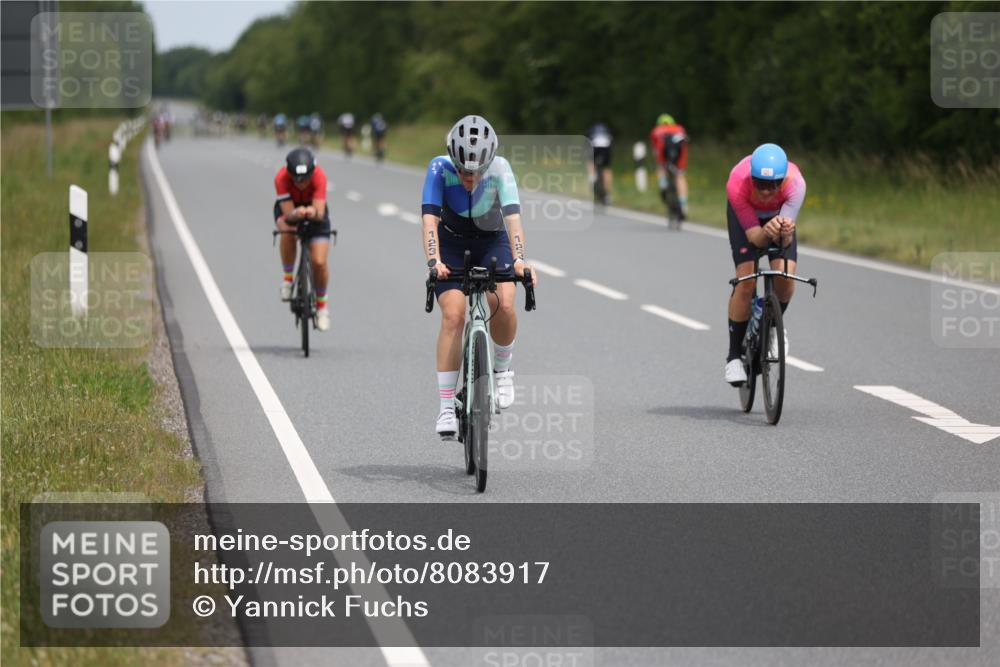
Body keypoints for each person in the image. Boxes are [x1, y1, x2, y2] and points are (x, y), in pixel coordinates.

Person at [421, 115, 537, 437]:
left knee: (504, 302)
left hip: (491, 240)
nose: (469, 178)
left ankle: (502, 370)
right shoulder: (438, 169)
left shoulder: (500, 169)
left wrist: (520, 262)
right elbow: (429, 220)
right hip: (451, 244)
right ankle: (446, 407)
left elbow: (513, 219)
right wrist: (435, 261)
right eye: (463, 171)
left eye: (476, 171)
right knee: (453, 316)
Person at [723, 143, 806, 385]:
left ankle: (771, 325)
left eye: (774, 184)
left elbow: (785, 238)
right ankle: (733, 357)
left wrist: (783, 232)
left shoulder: (796, 184)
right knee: (746, 281)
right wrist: (765, 231)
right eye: (761, 183)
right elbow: (756, 239)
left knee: (786, 277)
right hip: (746, 220)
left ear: (782, 180)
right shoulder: (737, 183)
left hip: (778, 217)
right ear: (752, 177)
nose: (768, 191)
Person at [273, 148, 333, 332]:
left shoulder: (319, 176)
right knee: (287, 230)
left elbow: (319, 211)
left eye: (305, 178)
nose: (301, 183)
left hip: (314, 210)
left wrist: (312, 213)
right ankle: (288, 279)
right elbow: (288, 213)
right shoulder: (281, 178)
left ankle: (322, 307)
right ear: (289, 174)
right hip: (290, 210)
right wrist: (296, 214)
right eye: (296, 179)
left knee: (319, 262)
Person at [649, 113, 689, 219]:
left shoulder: (657, 130)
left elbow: (656, 150)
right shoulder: (680, 128)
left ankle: (663, 185)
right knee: (680, 176)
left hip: (664, 151)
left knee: (661, 167)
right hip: (680, 153)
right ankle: (683, 204)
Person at [585, 122, 614, 205]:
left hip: (594, 146)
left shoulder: (591, 131)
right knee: (606, 168)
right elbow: (611, 142)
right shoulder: (607, 131)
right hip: (606, 147)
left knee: (590, 162)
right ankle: (608, 194)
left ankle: (591, 177)